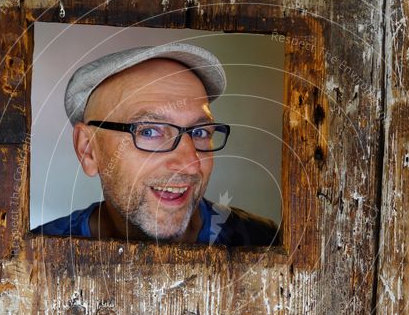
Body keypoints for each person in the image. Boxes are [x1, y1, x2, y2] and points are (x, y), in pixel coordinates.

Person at [31, 43, 280, 247]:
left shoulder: (267, 244)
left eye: (200, 131)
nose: (189, 165)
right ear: (88, 150)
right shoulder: (35, 257)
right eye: (150, 131)